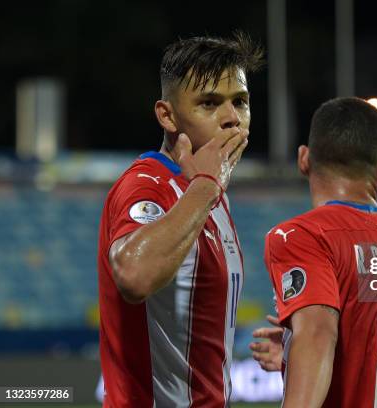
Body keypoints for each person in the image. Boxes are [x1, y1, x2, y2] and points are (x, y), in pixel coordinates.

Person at [250, 97, 377, 407]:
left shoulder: (302, 236)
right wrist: (297, 352)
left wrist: (306, 346)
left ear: (303, 159)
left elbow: (318, 335)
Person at [97, 33, 263, 407]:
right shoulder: (148, 185)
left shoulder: (205, 190)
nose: (232, 118)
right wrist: (207, 186)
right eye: (209, 103)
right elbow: (134, 274)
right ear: (167, 115)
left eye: (241, 102)